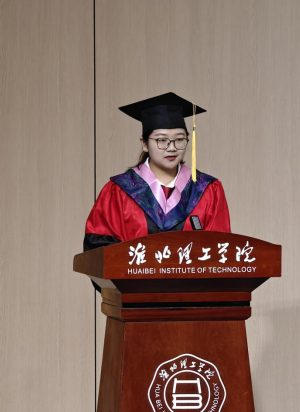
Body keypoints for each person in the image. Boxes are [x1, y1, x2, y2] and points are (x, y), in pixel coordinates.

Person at [84, 93, 231, 286]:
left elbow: (221, 251)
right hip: (135, 298)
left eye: (180, 139)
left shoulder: (207, 189)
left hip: (193, 299)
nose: (172, 148)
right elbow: (99, 250)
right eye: (162, 140)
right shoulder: (119, 191)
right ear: (144, 144)